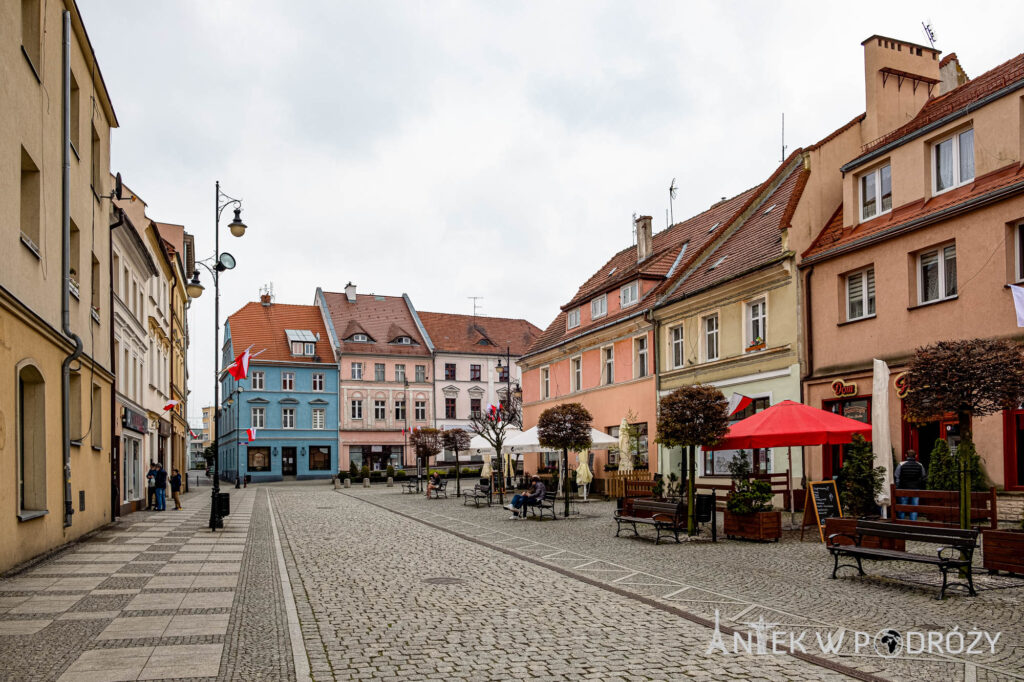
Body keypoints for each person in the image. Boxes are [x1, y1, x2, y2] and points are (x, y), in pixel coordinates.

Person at [894, 449, 926, 520]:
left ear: (906, 455)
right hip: (916, 488)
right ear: (916, 456)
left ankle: (901, 523)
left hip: (903, 488)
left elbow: (897, 477)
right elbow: (923, 476)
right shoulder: (920, 465)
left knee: (902, 507)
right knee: (914, 507)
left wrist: (898, 487)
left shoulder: (901, 464)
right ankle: (913, 523)